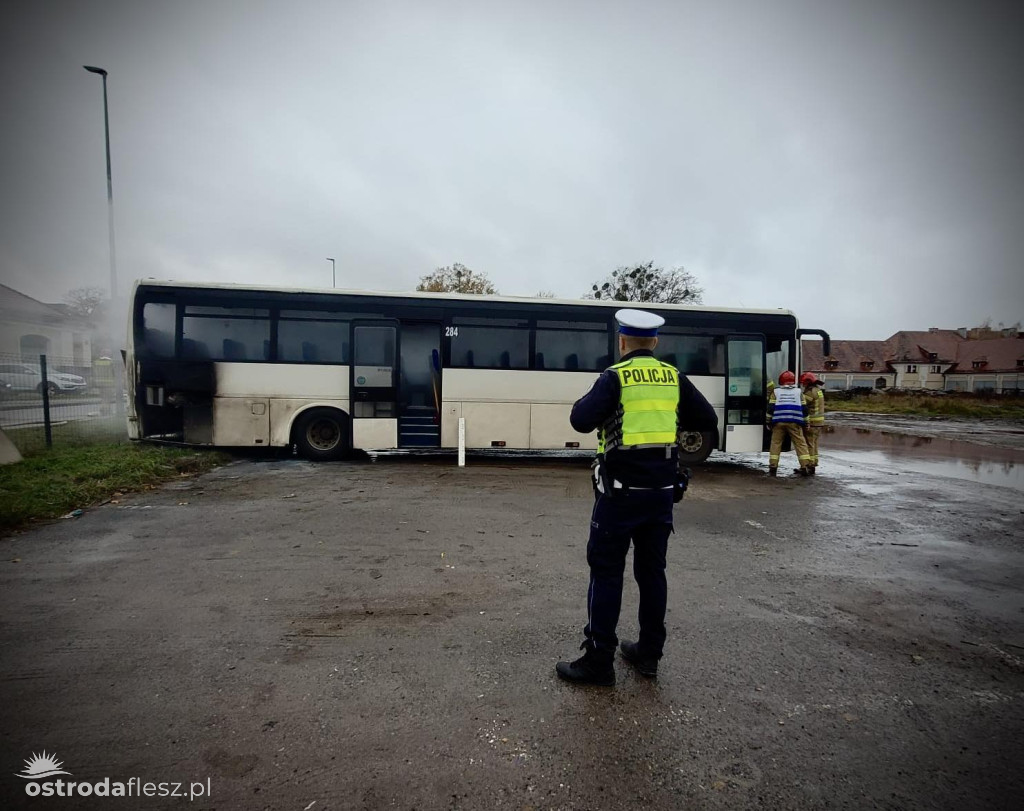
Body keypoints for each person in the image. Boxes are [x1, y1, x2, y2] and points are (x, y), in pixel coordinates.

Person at [556, 309, 718, 686]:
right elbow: (706, 419)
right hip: (661, 495)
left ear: (622, 341)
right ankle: (649, 654)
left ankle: (599, 662)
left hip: (619, 497)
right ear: (656, 342)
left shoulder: (615, 377)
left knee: (606, 573)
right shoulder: (674, 377)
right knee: (652, 574)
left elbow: (580, 419)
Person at [767, 370, 812, 477]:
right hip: (794, 422)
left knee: (775, 444)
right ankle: (805, 466)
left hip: (778, 422)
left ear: (781, 381)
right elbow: (804, 409)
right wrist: (807, 422)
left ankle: (773, 466)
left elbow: (770, 408)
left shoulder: (776, 392)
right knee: (800, 443)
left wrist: (768, 421)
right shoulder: (798, 392)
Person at [800, 372, 825, 474]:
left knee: (809, 444)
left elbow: (802, 404)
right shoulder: (818, 390)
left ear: (808, 382)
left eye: (803, 383)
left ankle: (809, 465)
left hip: (812, 422)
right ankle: (814, 463)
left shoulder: (810, 392)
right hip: (819, 423)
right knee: (814, 444)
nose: (802, 385)